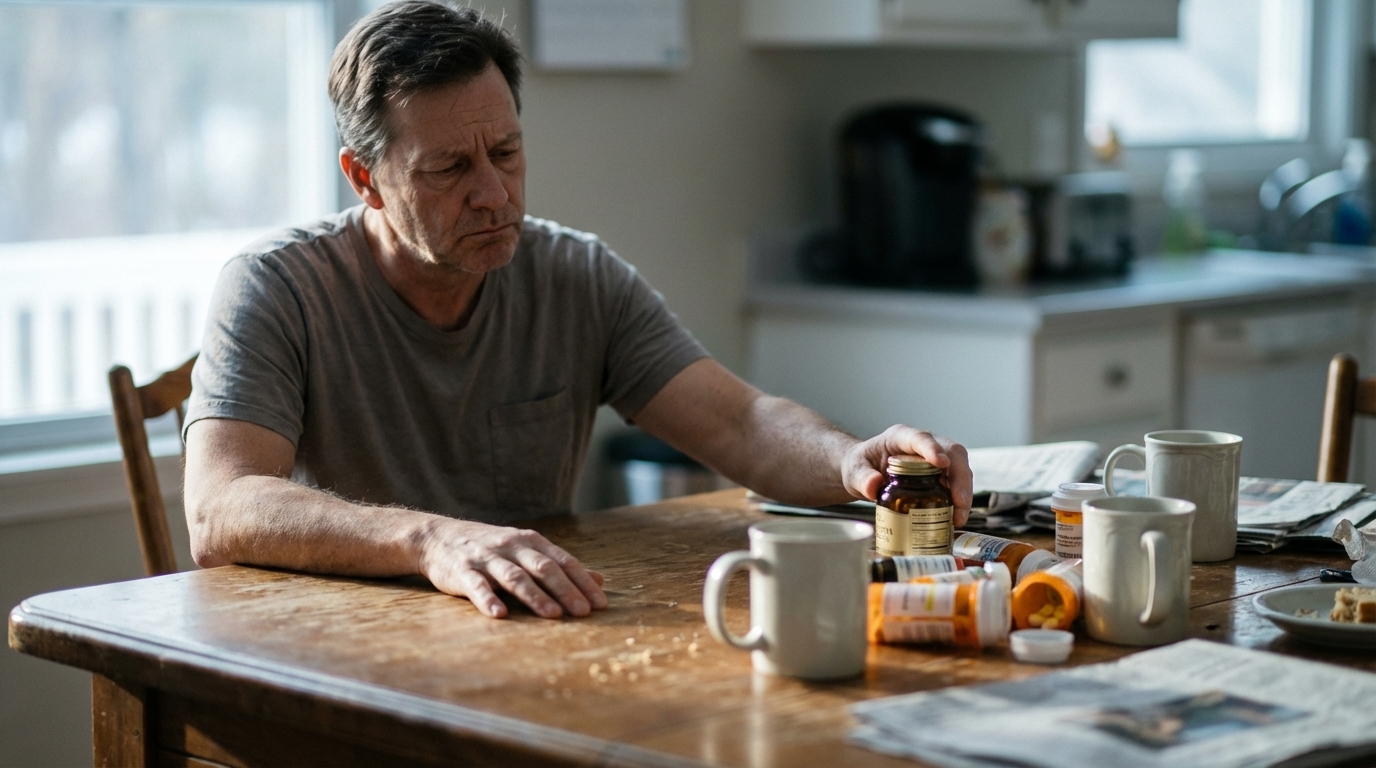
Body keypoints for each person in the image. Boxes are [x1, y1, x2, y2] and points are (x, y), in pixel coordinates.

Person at [182, 0, 972, 621]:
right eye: (449, 167)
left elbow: (740, 424)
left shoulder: (574, 273)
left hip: (536, 628)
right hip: (334, 648)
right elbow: (222, 509)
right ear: (364, 179)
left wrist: (848, 461)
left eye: (507, 153)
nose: (493, 193)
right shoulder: (274, 287)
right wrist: (429, 538)